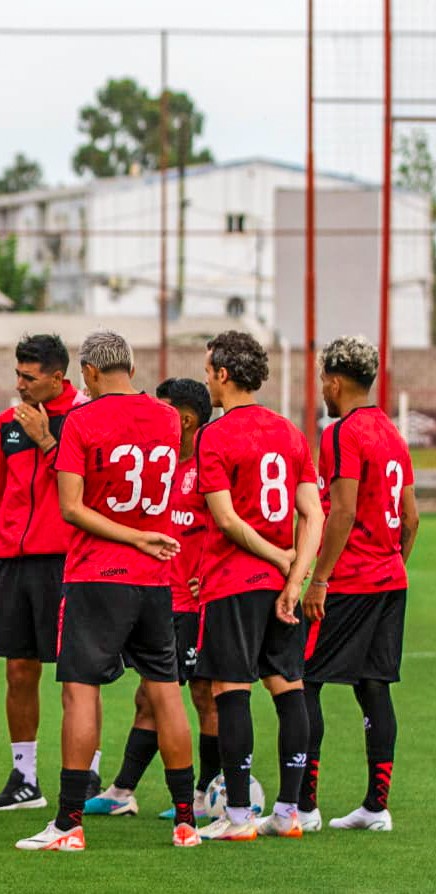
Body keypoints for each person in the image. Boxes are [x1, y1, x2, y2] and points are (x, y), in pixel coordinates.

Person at [15, 330, 199, 852]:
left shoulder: (81, 420)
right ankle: (185, 821)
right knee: (165, 692)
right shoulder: (166, 417)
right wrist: (146, 533)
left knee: (80, 691)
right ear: (132, 369)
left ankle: (69, 823)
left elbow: (72, 507)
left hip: (98, 574)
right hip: (155, 577)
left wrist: (133, 533)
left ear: (89, 373)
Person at [195, 330, 324, 841]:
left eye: (208, 370)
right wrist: (294, 577)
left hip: (233, 582)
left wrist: (275, 557)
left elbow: (225, 520)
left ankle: (241, 817)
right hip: (280, 587)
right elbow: (312, 513)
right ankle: (290, 812)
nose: (206, 378)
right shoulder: (291, 433)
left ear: (224, 375)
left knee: (231, 689)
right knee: (288, 688)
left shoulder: (215, 435)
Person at [85, 378, 220, 817]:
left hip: (196, 604)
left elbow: (232, 525)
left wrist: (208, 573)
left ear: (183, 420)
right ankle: (123, 791)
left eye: (162, 410)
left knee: (203, 694)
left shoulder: (208, 467)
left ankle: (205, 793)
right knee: (149, 696)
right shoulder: (160, 466)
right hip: (162, 597)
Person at [300, 335, 417, 833]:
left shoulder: (340, 432)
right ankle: (376, 805)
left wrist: (318, 580)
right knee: (374, 686)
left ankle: (303, 805)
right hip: (390, 580)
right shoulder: (392, 432)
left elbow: (342, 510)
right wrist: (390, 563)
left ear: (334, 380)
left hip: (349, 581)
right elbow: (411, 519)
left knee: (304, 680)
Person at [0, 334, 93, 810]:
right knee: (19, 670)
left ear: (57, 378)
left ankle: (85, 774)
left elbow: (84, 490)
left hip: (64, 561)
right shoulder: (6, 423)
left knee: (76, 674)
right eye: (18, 375)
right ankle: (25, 778)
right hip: (9, 562)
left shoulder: (83, 422)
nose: (20, 385)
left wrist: (47, 439)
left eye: (29, 377)